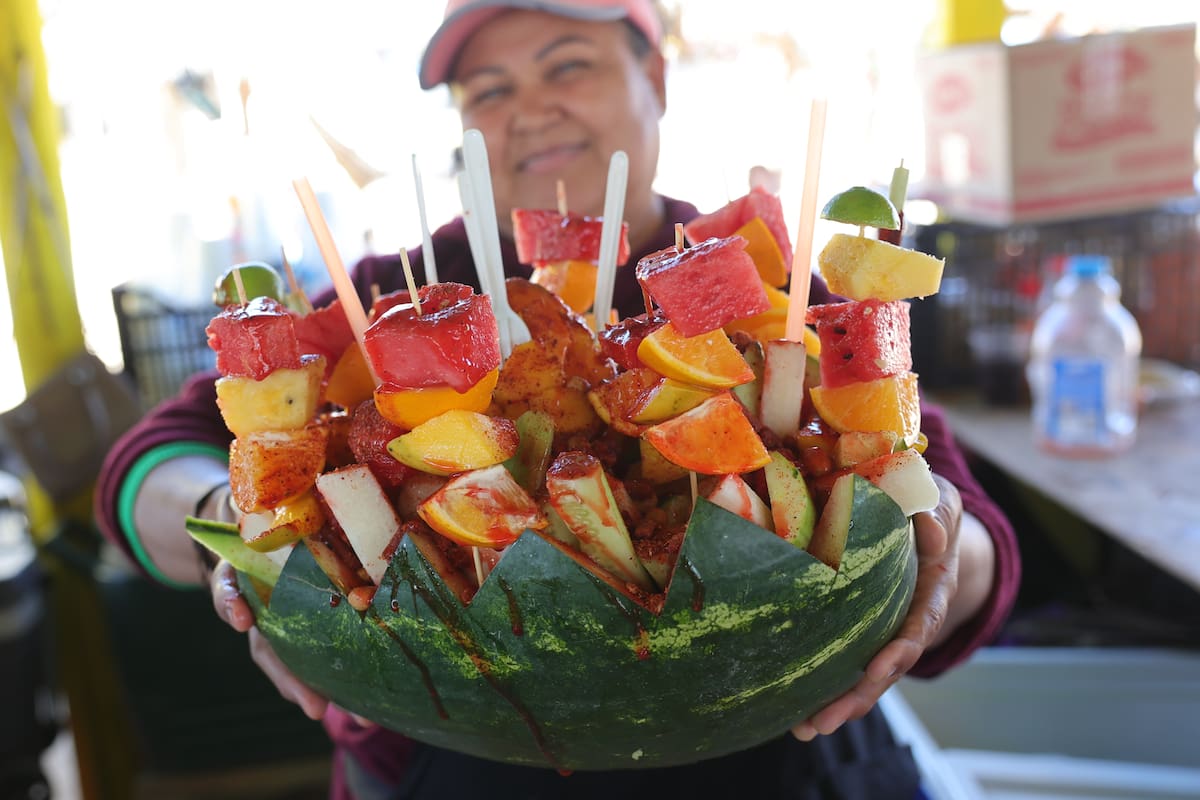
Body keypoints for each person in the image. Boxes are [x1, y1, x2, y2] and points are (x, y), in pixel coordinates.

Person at [95, 1, 1020, 797]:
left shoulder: (769, 300)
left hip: (780, 761)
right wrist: (246, 521)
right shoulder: (388, 297)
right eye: (487, 91)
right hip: (444, 761)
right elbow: (145, 467)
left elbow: (971, 532)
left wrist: (936, 548)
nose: (530, 110)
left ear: (655, 74)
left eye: (566, 65)